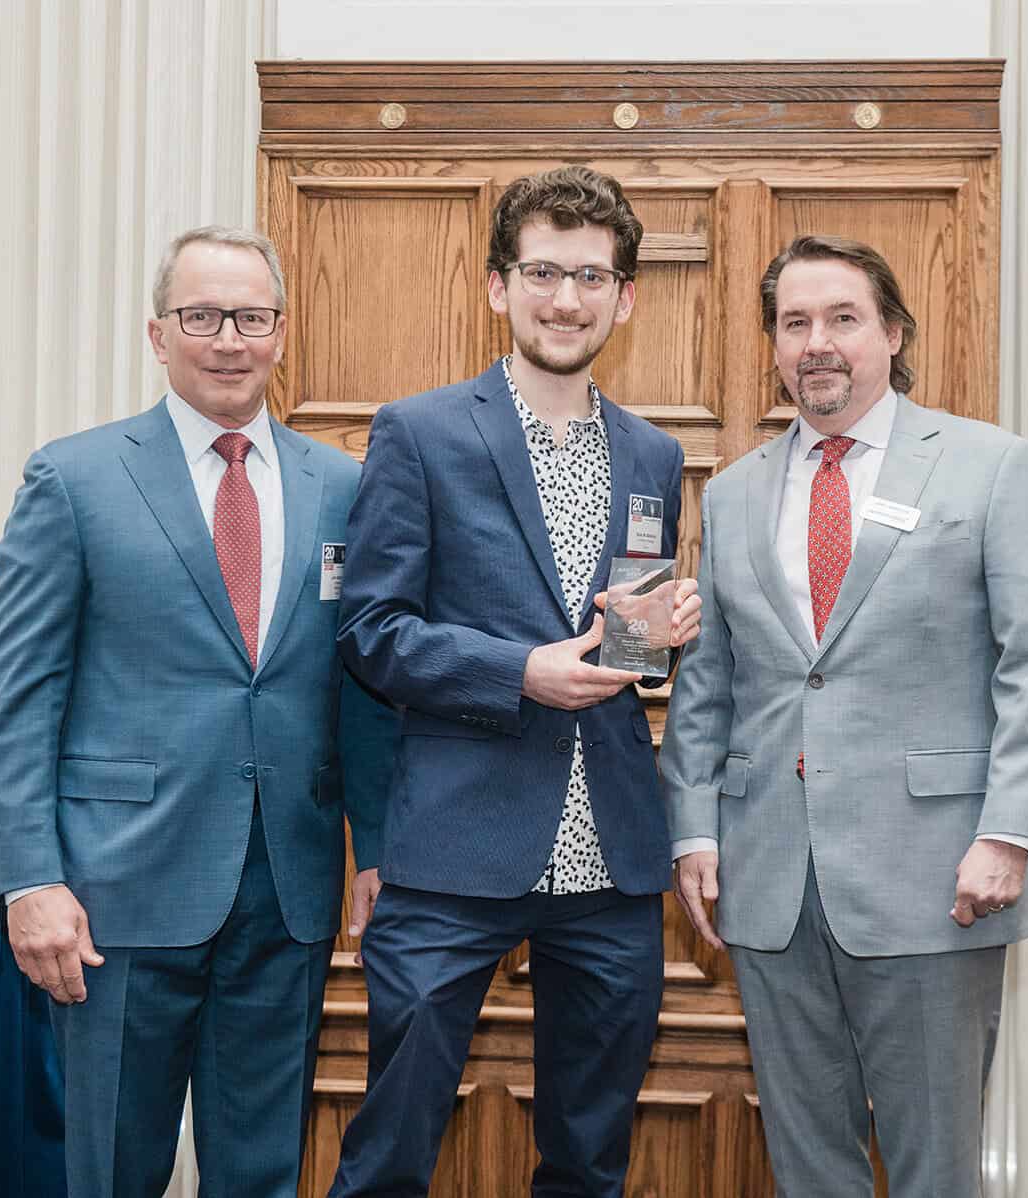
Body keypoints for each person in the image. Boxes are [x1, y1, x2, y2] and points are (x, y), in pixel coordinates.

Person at [659, 234, 1028, 1196]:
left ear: (891, 333)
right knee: (810, 1167)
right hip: (769, 881)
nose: (818, 342)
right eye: (794, 322)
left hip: (937, 876)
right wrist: (693, 830)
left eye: (842, 318)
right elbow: (709, 686)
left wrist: (1009, 832)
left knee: (935, 1168)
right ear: (773, 344)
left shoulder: (989, 466)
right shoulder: (732, 495)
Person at [0, 225, 396, 1197]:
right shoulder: (74, 479)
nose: (227, 338)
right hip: (115, 894)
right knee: (115, 1170)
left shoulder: (342, 486)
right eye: (201, 316)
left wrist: (374, 847)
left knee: (261, 1172)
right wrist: (28, 876)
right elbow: (20, 694)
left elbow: (364, 689)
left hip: (287, 891)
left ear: (283, 331)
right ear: (158, 334)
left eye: (250, 316)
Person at [328, 165, 701, 1198]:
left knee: (591, 1157)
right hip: (453, 852)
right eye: (543, 270)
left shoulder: (656, 456)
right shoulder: (421, 430)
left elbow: (617, 646)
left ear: (625, 296)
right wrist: (516, 673)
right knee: (391, 1150)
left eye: (591, 276)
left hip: (613, 862)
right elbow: (371, 630)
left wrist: (657, 636)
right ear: (498, 285)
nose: (566, 298)